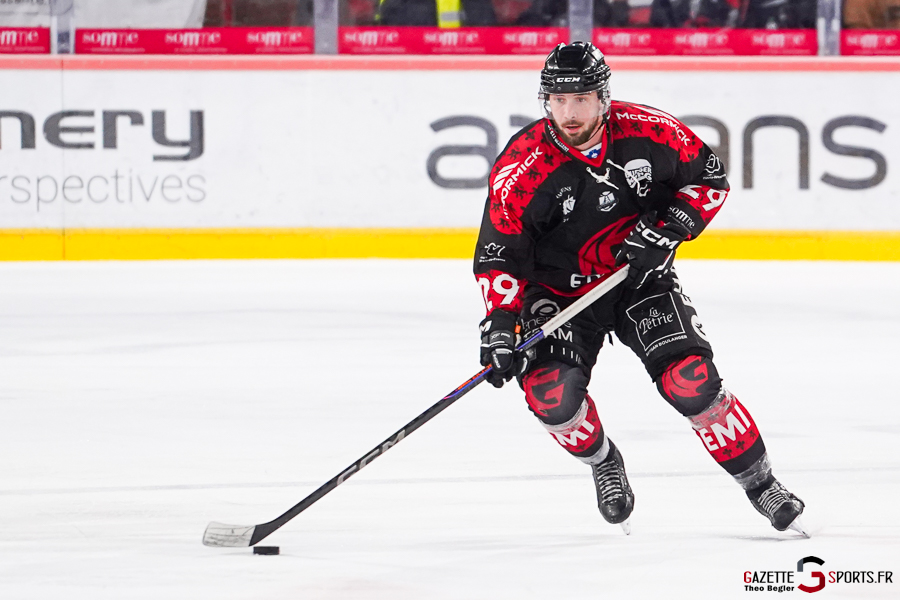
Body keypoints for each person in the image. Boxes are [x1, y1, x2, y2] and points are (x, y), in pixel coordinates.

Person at [473, 41, 806, 535]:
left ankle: (762, 483)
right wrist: (502, 322)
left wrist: (668, 229)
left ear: (603, 97)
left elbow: (709, 180)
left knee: (690, 380)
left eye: (581, 99)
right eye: (559, 100)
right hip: (557, 297)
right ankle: (603, 460)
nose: (569, 113)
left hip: (638, 281)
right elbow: (500, 254)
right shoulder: (522, 169)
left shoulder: (649, 131)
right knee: (550, 396)